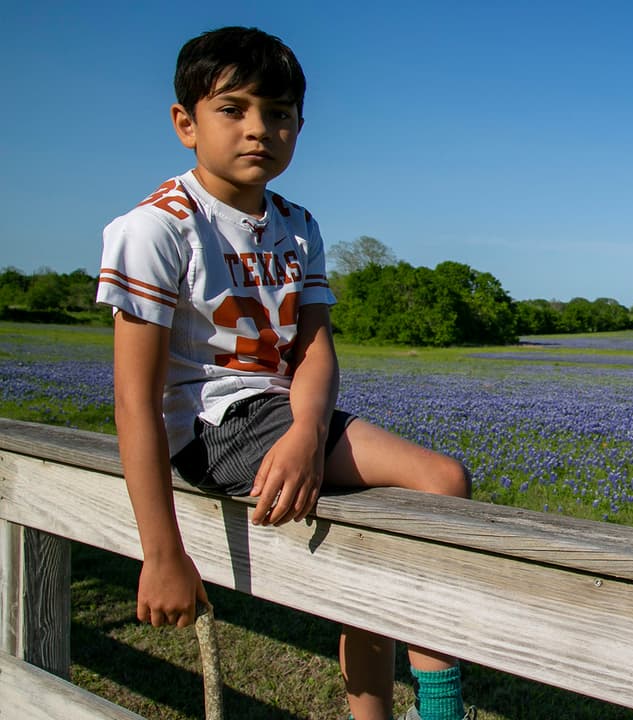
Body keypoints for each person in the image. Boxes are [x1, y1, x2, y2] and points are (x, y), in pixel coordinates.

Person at [96, 26, 472, 720]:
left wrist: (305, 432)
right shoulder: (156, 227)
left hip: (280, 415)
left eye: (278, 114)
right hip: (210, 428)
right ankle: (439, 712)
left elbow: (315, 349)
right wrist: (162, 554)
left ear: (300, 126)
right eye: (232, 109)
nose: (258, 130)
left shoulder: (297, 224)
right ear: (186, 123)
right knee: (441, 481)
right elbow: (132, 400)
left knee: (403, 528)